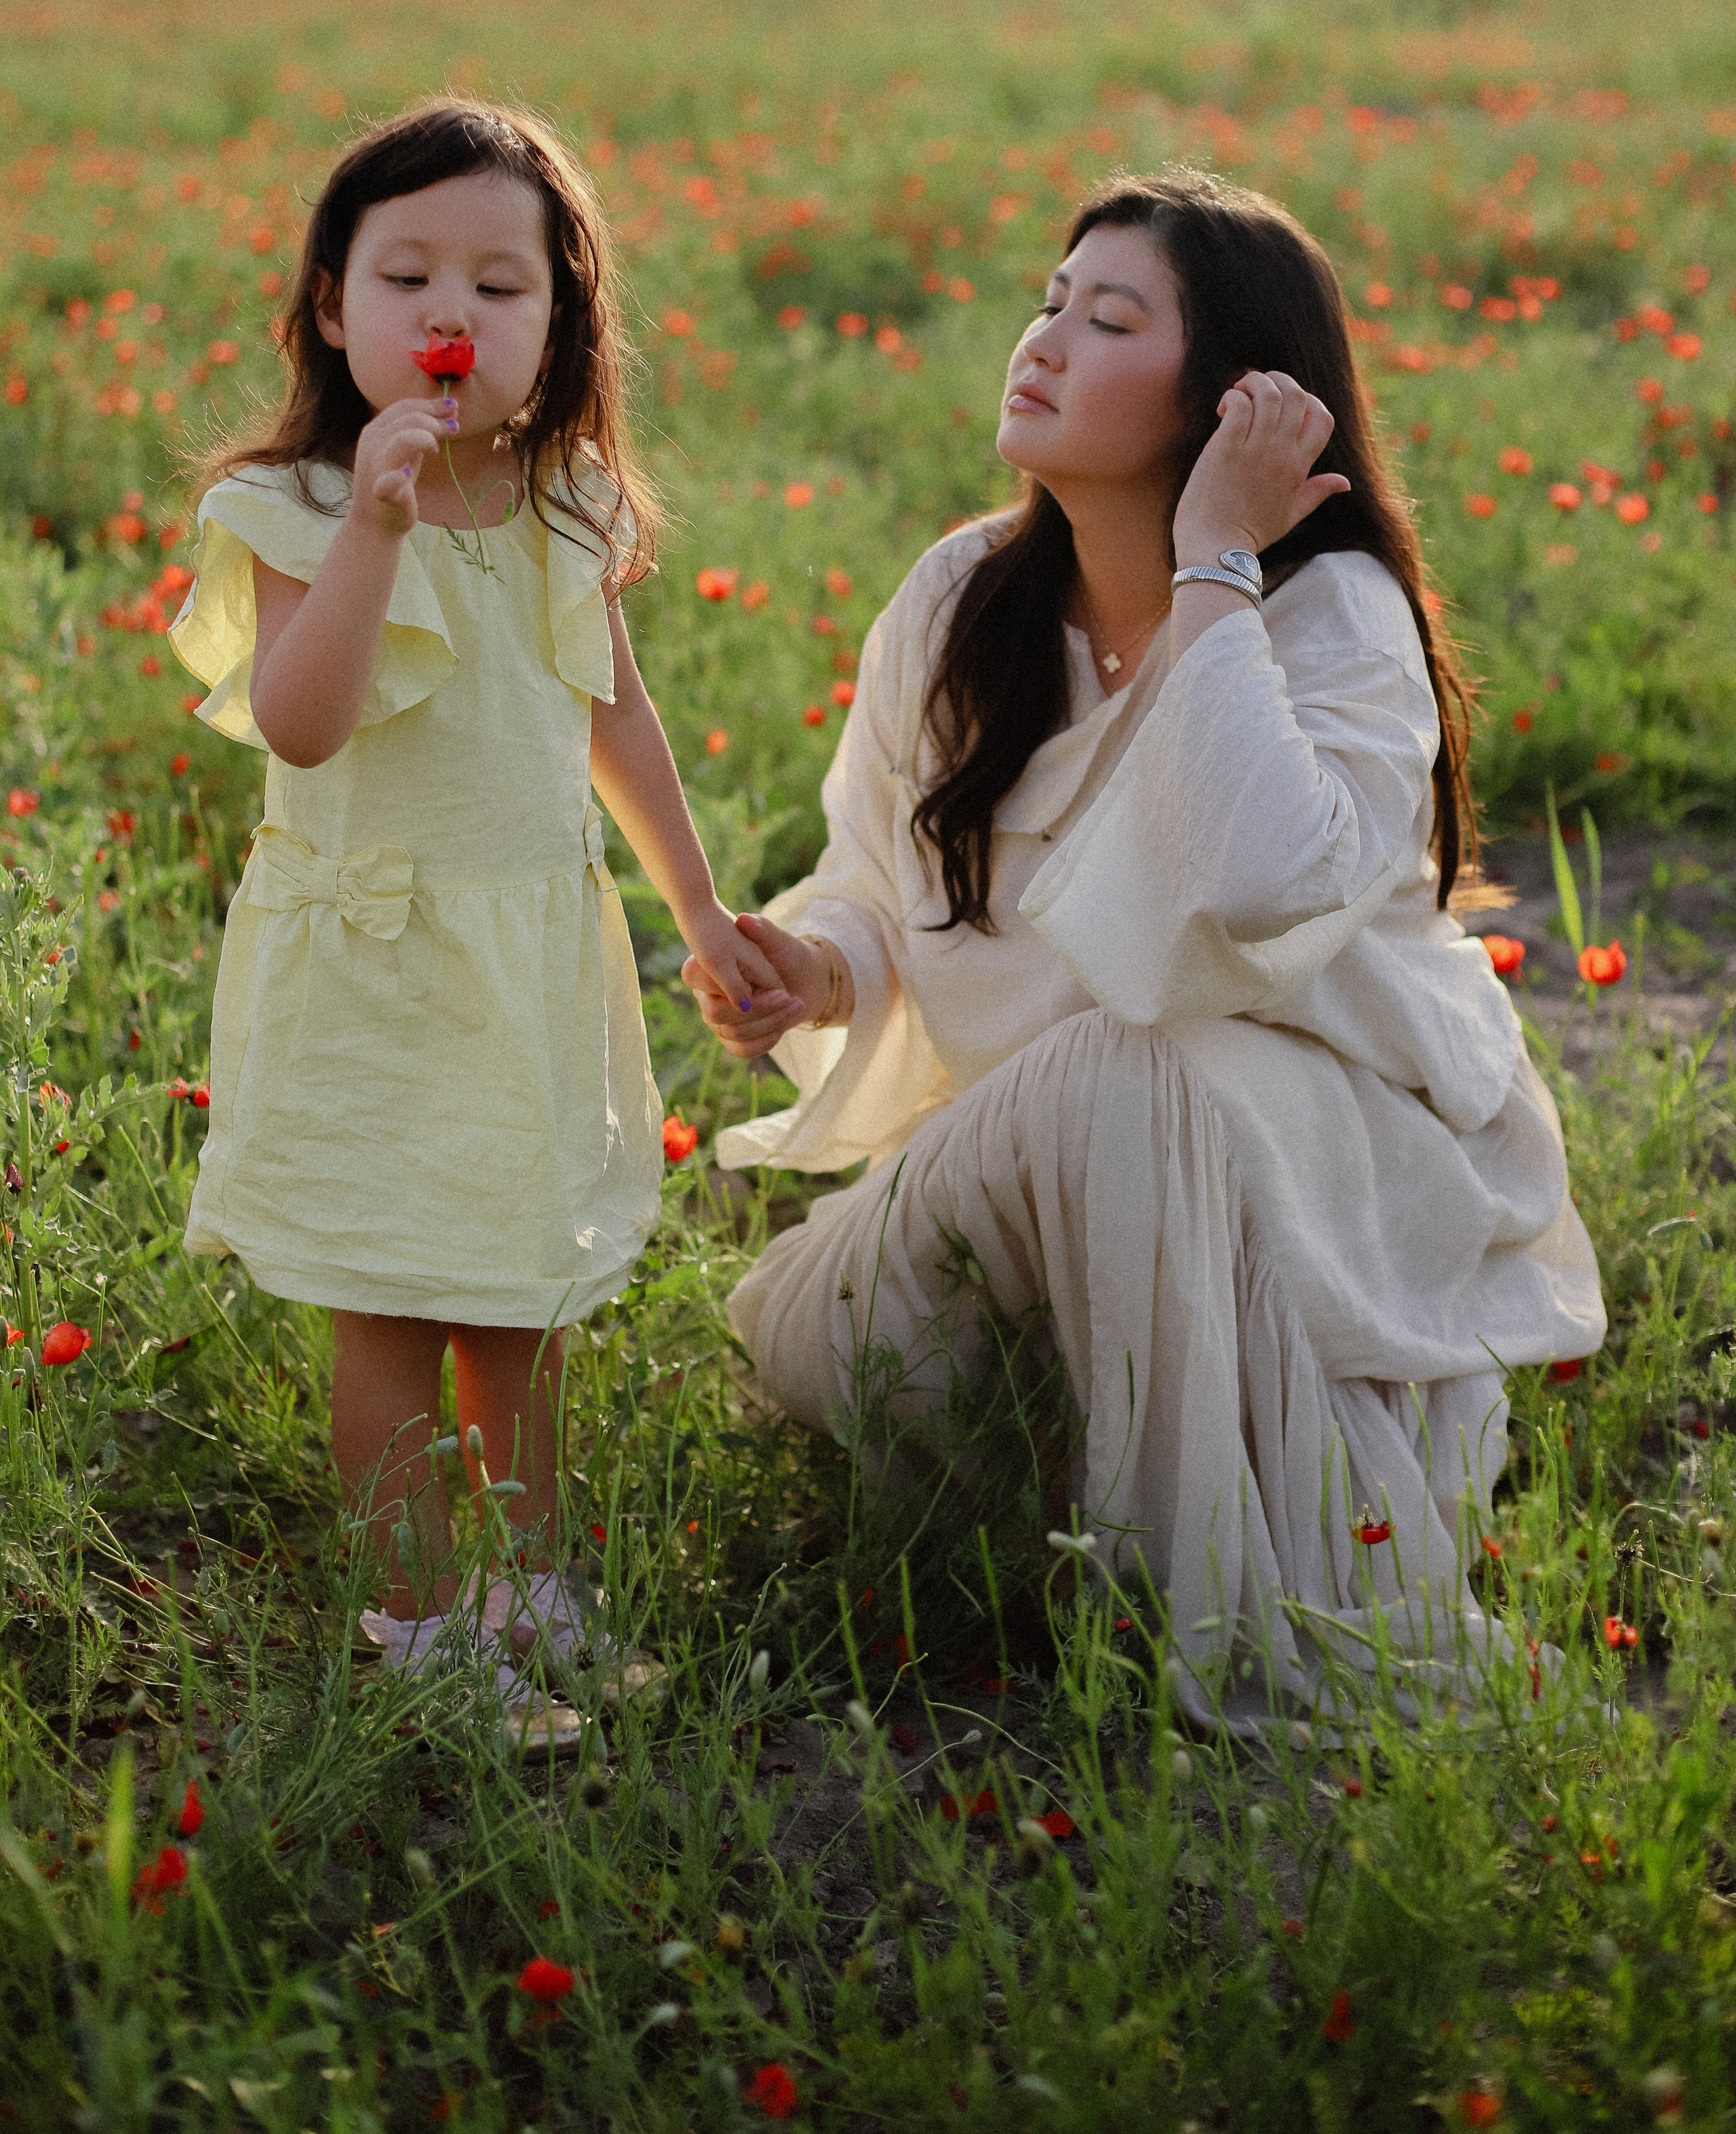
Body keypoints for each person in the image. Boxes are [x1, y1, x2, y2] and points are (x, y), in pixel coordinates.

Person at [687, 170, 1604, 1718]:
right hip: (1041, 1156)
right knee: (812, 1344)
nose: (1041, 339)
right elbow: (876, 865)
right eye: (1050, 300)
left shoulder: (1331, 619)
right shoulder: (961, 602)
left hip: (1322, 1162)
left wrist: (1211, 567)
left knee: (1135, 1062)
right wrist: (828, 966)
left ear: (1236, 401)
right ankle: (1101, 1513)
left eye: (1107, 319)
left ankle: (1218, 1627)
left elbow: (1249, 898)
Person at [171, 100, 791, 1680]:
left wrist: (701, 914)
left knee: (517, 1299)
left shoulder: (561, 504)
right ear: (331, 305)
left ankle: (528, 1589)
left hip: (524, 954)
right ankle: (417, 1623)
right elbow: (303, 728)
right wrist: (376, 525)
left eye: (500, 287)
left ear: (560, 321)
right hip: (373, 960)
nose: (451, 314)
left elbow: (615, 720)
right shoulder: (294, 509)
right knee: (386, 1300)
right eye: (406, 277)